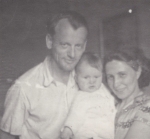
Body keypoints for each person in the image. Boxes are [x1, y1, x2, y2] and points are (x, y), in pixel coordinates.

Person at [0, 11, 88, 139]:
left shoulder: (89, 81)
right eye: (65, 45)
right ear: (49, 41)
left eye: (78, 46)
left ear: (84, 46)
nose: (72, 54)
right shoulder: (22, 88)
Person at [104, 47, 150, 139]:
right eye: (110, 77)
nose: (116, 83)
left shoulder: (149, 108)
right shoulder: (108, 105)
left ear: (137, 72)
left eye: (122, 75)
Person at [60, 52, 116, 139]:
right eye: (86, 77)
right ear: (76, 79)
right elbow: (75, 116)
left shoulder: (103, 89)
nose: (92, 81)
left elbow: (112, 102)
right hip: (89, 135)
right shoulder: (82, 97)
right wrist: (67, 131)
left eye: (96, 77)